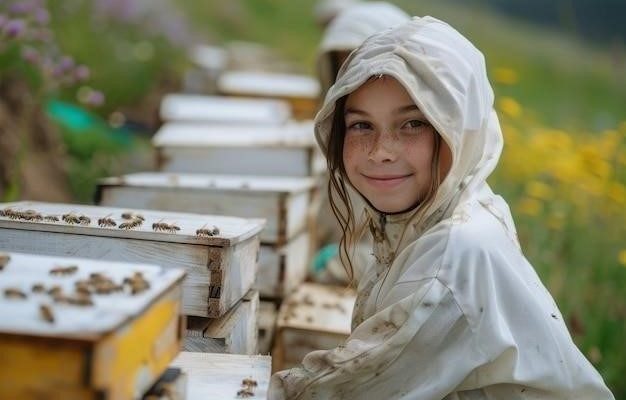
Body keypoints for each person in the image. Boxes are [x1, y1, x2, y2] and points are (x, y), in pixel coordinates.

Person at [270, 16, 615, 399]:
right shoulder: (443, 217)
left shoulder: (451, 260)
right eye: (361, 126)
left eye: (413, 123)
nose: (381, 151)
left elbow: (335, 392)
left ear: (460, 129)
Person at [311, 2, 410, 284]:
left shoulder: (419, 157)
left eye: (362, 70)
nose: (351, 82)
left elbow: (416, 263)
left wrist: (345, 262)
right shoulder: (349, 141)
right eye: (343, 68)